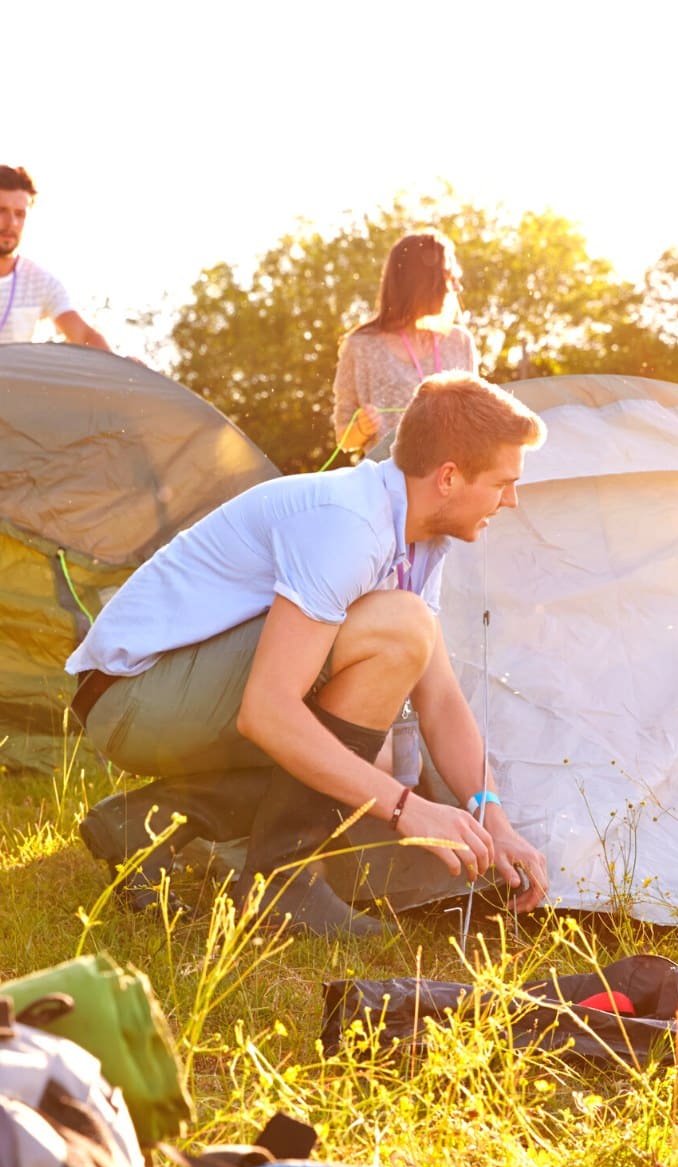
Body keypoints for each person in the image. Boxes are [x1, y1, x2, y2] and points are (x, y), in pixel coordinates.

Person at [67, 372, 549, 935]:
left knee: (371, 760)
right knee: (396, 647)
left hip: (173, 700)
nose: (510, 500)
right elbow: (267, 712)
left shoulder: (419, 543)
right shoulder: (348, 523)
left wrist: (496, 821)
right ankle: (282, 885)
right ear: (448, 477)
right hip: (132, 699)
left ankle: (146, 823)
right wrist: (406, 809)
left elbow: (440, 699)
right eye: (502, 483)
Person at [333, 231, 476, 457]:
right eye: (449, 276)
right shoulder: (361, 346)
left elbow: (476, 422)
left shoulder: (460, 342)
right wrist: (361, 428)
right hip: (386, 488)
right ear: (420, 282)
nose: (457, 287)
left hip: (450, 484)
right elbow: (343, 438)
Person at [0, 165, 110, 349]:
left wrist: (123, 366)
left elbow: (84, 335)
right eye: (1, 210)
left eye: (20, 214)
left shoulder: (40, 281)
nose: (11, 223)